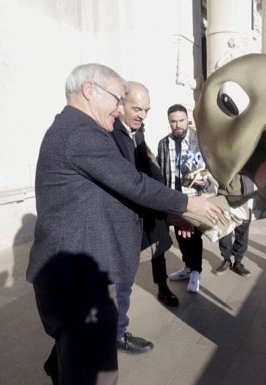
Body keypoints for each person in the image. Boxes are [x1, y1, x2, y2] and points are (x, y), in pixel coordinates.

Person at [27, 63, 221, 385]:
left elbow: (112, 194)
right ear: (89, 91)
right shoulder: (81, 132)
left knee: (78, 361)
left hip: (79, 276)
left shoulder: (82, 129)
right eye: (117, 100)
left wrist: (170, 215)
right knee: (96, 374)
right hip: (78, 284)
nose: (120, 110)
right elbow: (133, 184)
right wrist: (188, 204)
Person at [110, 81, 177, 357]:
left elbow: (147, 169)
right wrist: (181, 204)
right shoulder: (109, 132)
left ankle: (161, 286)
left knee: (153, 251)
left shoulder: (136, 131)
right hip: (121, 218)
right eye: (137, 108)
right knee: (120, 281)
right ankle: (115, 334)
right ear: (121, 104)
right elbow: (130, 180)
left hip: (143, 211)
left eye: (147, 110)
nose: (142, 115)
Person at [158, 104, 217, 293]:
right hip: (174, 199)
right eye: (173, 121)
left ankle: (196, 272)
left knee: (193, 236)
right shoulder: (164, 143)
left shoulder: (200, 140)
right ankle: (187, 267)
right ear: (169, 123)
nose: (178, 125)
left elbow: (213, 168)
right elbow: (161, 169)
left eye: (181, 120)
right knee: (181, 235)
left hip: (196, 198)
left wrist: (206, 183)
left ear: (188, 120)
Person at [214, 174, 254, 277]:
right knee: (224, 232)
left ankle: (238, 262)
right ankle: (226, 260)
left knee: (243, 232)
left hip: (245, 196)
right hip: (223, 195)